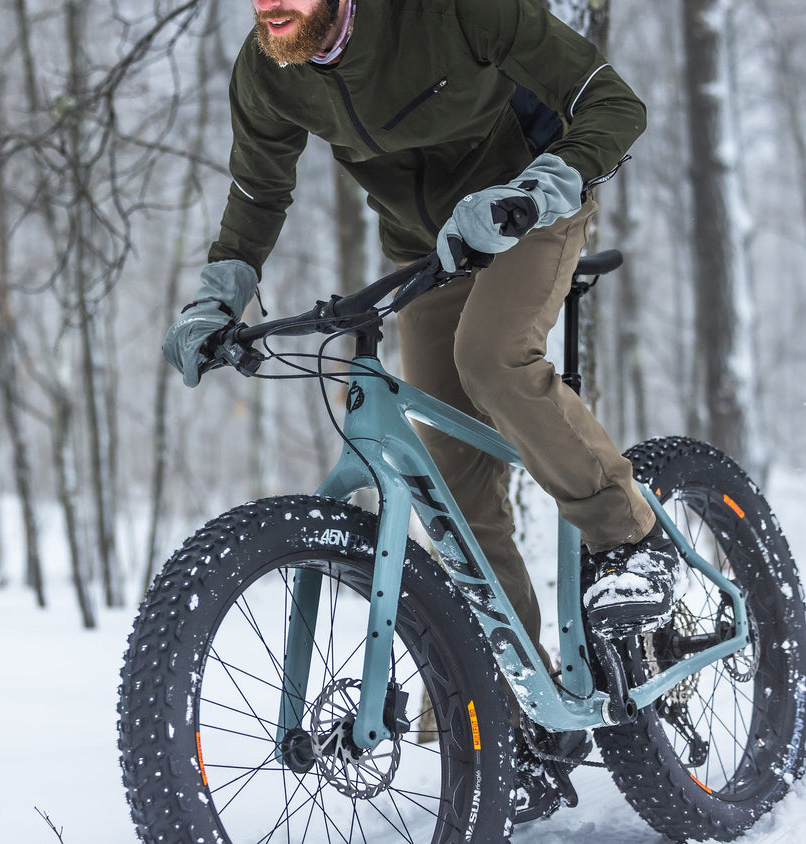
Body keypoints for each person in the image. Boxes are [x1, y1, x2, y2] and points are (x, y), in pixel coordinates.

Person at [162, 0, 681, 821]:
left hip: (534, 208)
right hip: (426, 249)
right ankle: (514, 716)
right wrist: (219, 293)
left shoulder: (451, 10)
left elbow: (613, 103)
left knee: (492, 360)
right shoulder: (269, 67)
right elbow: (260, 188)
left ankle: (633, 544)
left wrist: (544, 182)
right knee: (453, 481)